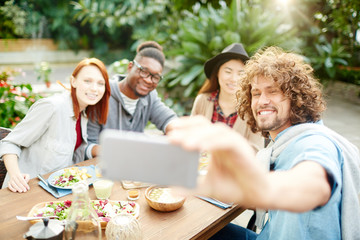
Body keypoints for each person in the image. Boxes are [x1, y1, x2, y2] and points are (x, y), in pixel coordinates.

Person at [168, 46, 360, 239]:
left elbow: (314, 185)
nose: (262, 101)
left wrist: (259, 187)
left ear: (295, 97)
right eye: (256, 93)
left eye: (273, 91)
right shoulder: (281, 144)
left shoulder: (312, 141)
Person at [0, 58, 111, 193]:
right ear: (73, 81)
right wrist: (15, 175)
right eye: (87, 81)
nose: (94, 88)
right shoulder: (52, 107)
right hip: (25, 190)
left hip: (58, 192)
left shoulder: (84, 115)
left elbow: (74, 152)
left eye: (100, 83)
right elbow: (10, 142)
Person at [86, 41, 177, 159]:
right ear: (130, 67)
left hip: (132, 168)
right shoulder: (102, 94)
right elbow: (87, 145)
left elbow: (170, 120)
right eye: (144, 71)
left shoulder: (150, 97)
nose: (149, 80)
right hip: (99, 169)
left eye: (155, 77)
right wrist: (123, 150)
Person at [191, 43, 263, 150]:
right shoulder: (203, 100)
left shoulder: (253, 109)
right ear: (217, 73)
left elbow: (257, 150)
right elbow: (190, 138)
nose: (234, 79)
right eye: (228, 71)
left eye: (241, 73)